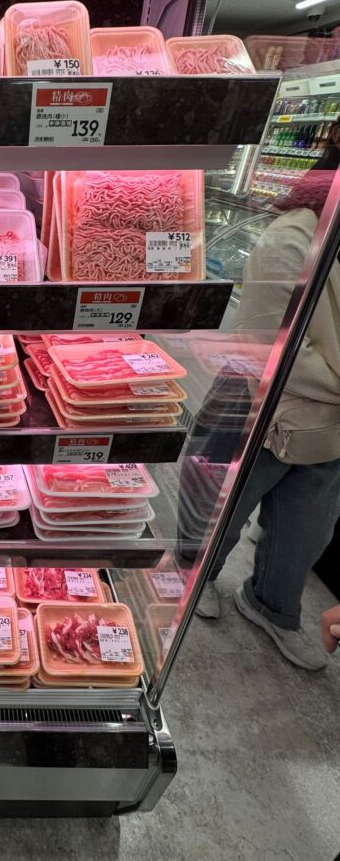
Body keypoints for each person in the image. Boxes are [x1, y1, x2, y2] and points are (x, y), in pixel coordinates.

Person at [191, 168, 340, 670]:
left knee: (306, 530)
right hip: (256, 405)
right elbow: (266, 343)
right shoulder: (292, 238)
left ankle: (272, 605)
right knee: (220, 508)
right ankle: (196, 576)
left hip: (326, 425)